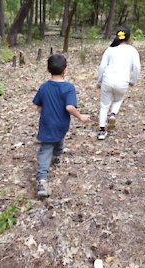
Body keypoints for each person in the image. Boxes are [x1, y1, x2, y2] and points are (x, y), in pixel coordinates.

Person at [32, 54, 91, 197]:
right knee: (58, 140)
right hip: (61, 124)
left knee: (46, 150)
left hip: (47, 124)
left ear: (47, 69)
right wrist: (80, 116)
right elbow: (70, 107)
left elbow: (39, 108)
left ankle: (42, 180)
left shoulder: (44, 87)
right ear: (65, 69)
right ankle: (56, 158)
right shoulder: (69, 88)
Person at [96, 26, 141, 140]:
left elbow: (102, 67)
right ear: (128, 38)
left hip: (107, 80)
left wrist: (99, 81)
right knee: (118, 99)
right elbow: (137, 67)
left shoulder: (110, 50)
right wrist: (133, 80)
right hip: (123, 81)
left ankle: (101, 131)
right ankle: (113, 114)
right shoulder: (132, 50)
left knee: (104, 105)